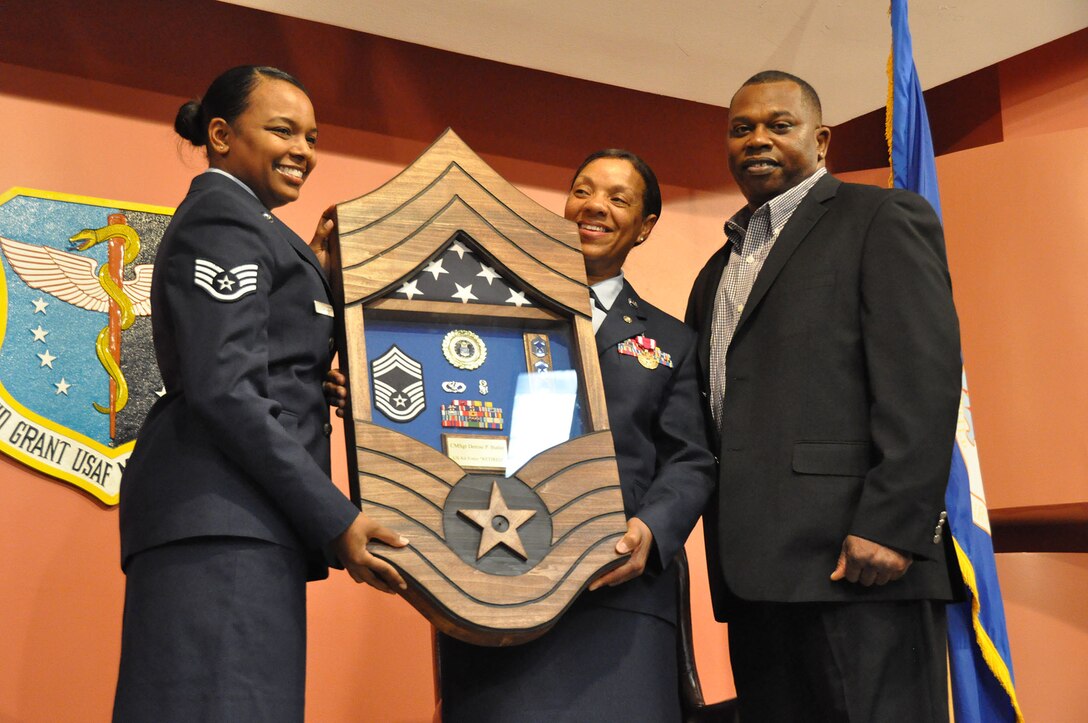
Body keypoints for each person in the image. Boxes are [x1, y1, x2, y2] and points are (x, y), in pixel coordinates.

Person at [113, 65, 407, 722]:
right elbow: (226, 389)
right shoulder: (225, 218)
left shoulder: (258, 228)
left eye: (311, 135)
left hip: (246, 521)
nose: (304, 149)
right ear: (221, 133)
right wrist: (339, 517)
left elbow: (267, 354)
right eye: (283, 129)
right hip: (224, 522)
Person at [685, 70, 963, 721]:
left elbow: (923, 374)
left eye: (778, 124)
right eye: (741, 127)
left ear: (821, 139)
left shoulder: (880, 217)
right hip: (754, 582)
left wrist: (891, 523)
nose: (757, 138)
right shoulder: (714, 272)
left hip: (860, 565)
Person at [433, 150, 717, 722]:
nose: (595, 207)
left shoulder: (672, 341)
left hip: (619, 592)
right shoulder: (489, 310)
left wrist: (649, 532)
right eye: (583, 191)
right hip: (497, 583)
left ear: (646, 226)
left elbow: (691, 460)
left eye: (618, 199)